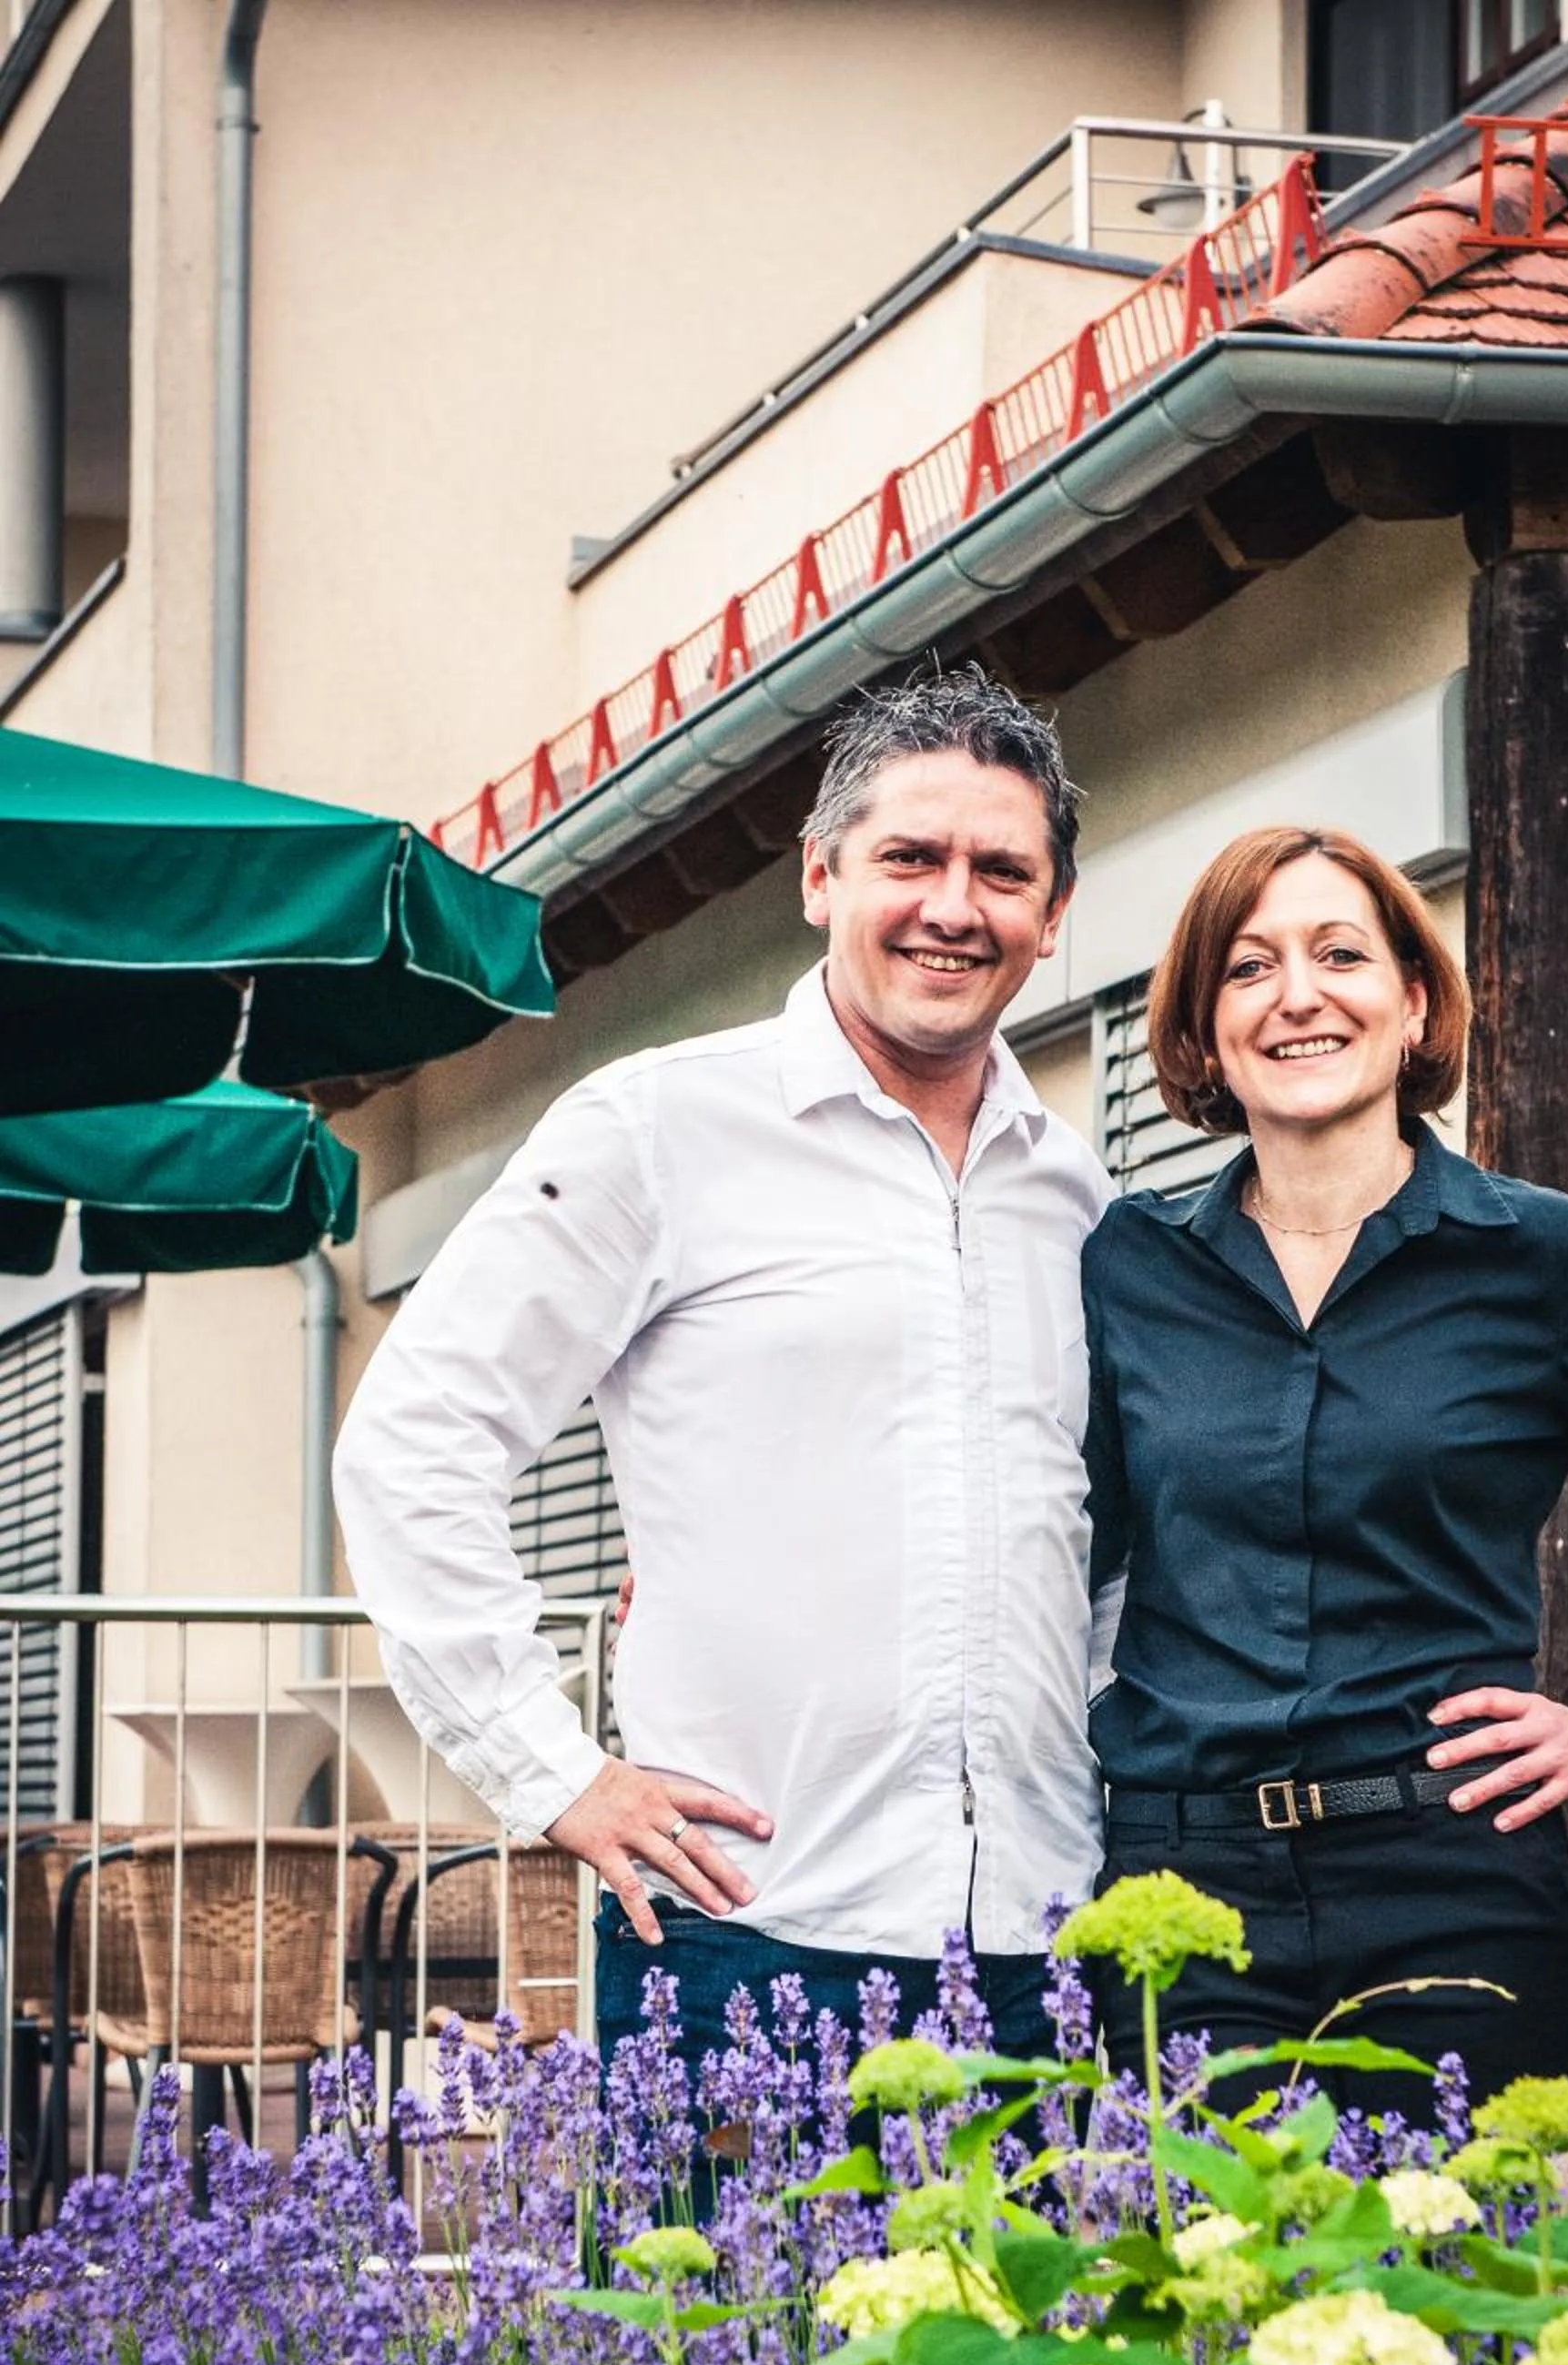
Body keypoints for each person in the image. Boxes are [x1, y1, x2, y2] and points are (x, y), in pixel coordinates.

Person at [333, 667, 1110, 2068]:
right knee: (720, 2299)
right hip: (744, 1930)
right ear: (820, 877)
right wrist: (554, 1772)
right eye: (910, 858)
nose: (954, 905)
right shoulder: (657, 1129)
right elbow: (412, 1439)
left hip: (1034, 1952)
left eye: (1003, 871)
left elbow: (1102, 1537)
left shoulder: (1079, 1195)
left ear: (1053, 920)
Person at [1080, 824, 1568, 2118]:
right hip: (1180, 1894)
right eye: (1249, 968)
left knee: (1451, 2306)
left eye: (1340, 953)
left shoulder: (1541, 1261)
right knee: (1195, 2312)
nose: (1298, 994)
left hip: (1449, 1888)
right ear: (1201, 1035)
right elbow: (1042, 1537)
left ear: (1413, 1003)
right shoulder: (1126, 1270)